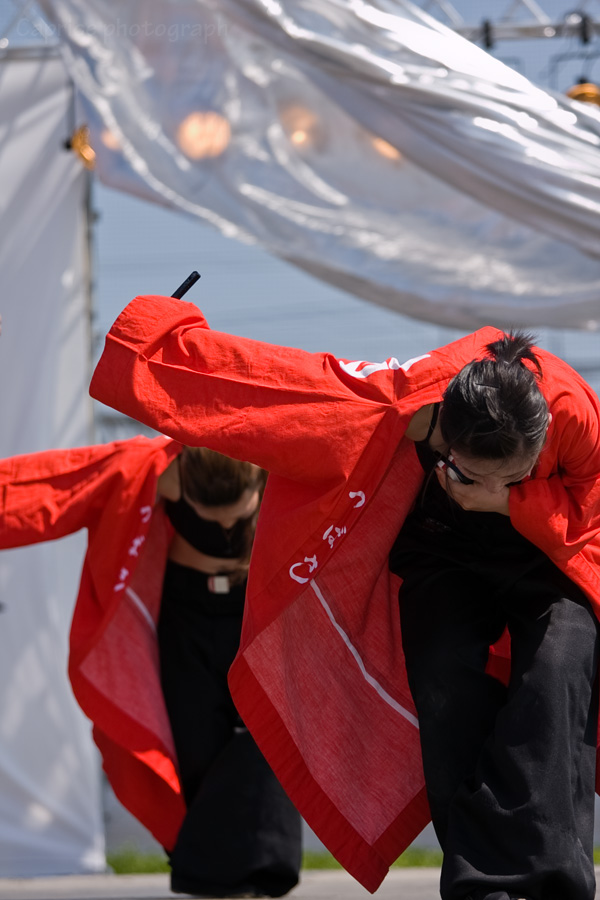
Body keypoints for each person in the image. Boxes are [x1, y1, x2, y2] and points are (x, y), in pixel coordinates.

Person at [89, 292, 600, 900]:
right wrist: (154, 342)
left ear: (541, 441)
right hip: (442, 549)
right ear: (441, 432)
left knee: (557, 672)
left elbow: (592, 505)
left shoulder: (573, 413)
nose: (483, 487)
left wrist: (512, 500)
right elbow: (276, 389)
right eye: (467, 472)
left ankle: (549, 879)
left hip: (549, 549)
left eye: (509, 473)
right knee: (443, 681)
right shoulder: (404, 398)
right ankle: (483, 882)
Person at [0, 438, 301, 898]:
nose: (226, 526)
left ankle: (257, 878)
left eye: (239, 515)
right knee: (193, 748)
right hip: (185, 618)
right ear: (182, 487)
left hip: (256, 614)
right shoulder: (152, 469)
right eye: (210, 518)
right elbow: (47, 489)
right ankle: (214, 880)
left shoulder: (276, 457)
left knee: (267, 747)